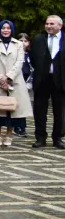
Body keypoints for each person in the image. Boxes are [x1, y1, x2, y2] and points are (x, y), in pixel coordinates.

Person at [0, 20, 31, 147]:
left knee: (13, 109)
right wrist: (0, 78)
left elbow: (20, 61)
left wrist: (9, 77)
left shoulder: (18, 44)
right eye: (3, 28)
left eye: (8, 28)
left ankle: (9, 134)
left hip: (14, 80)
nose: (5, 30)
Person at [28, 15, 64, 149]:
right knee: (39, 109)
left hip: (60, 80)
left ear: (59, 26)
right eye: (47, 24)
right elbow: (32, 57)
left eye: (52, 24)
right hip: (42, 79)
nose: (48, 26)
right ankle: (40, 137)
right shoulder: (38, 39)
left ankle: (58, 138)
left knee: (59, 110)